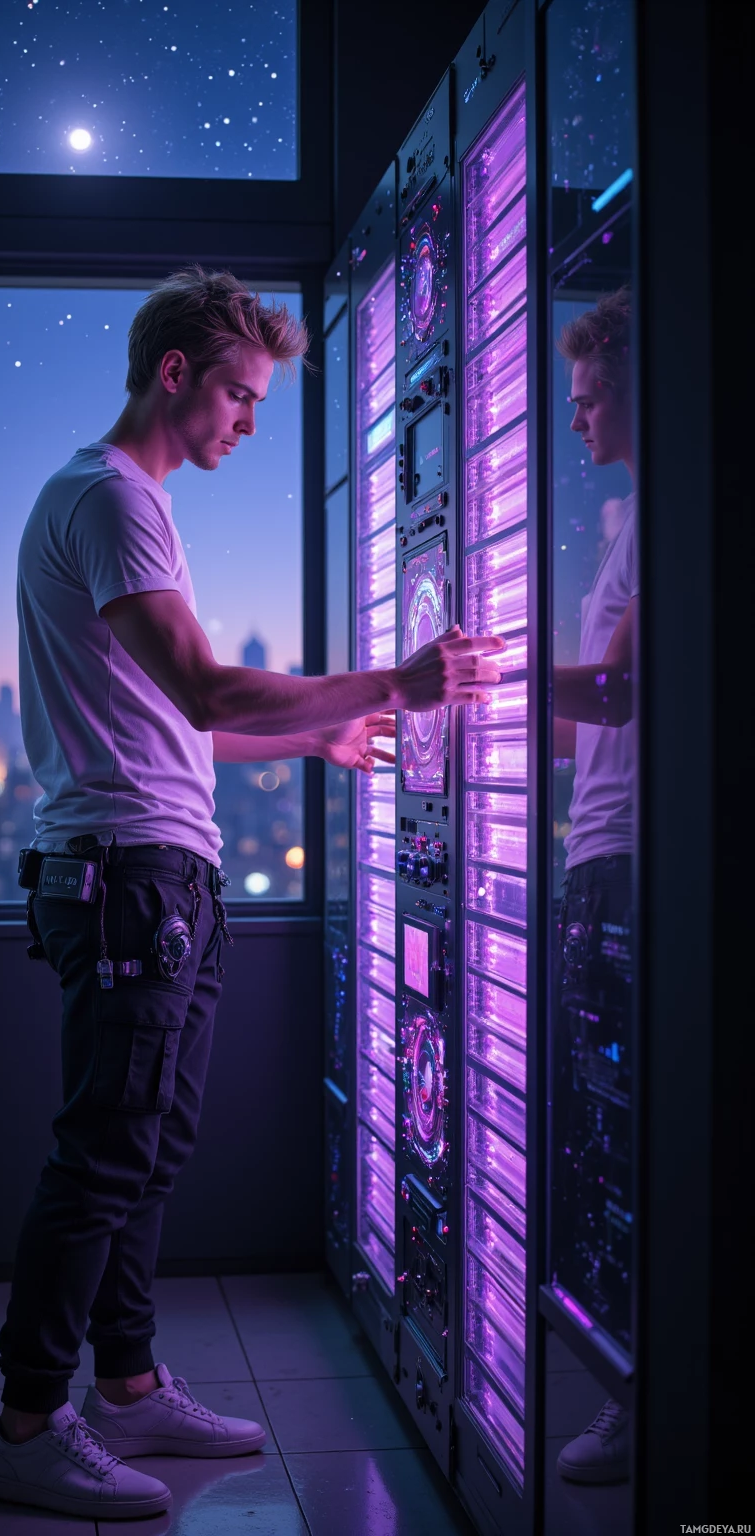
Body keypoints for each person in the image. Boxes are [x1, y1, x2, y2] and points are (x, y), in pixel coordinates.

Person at [0, 267, 504, 1521]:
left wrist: (316, 736)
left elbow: (179, 723)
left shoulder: (120, 500)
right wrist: (395, 682)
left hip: (156, 867)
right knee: (107, 1154)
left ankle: (126, 1384)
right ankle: (26, 1424)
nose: (250, 422)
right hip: (130, 872)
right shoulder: (113, 498)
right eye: (239, 396)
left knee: (147, 1148)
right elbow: (207, 688)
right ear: (176, 375)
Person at [551, 287, 636, 1486]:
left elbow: (615, 694)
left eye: (588, 397)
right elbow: (590, 720)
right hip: (599, 856)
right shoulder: (627, 528)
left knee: (622, 1137)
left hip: (623, 866)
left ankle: (637, 1394)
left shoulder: (660, 522)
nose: (574, 419)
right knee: (604, 1134)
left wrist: (476, 680)